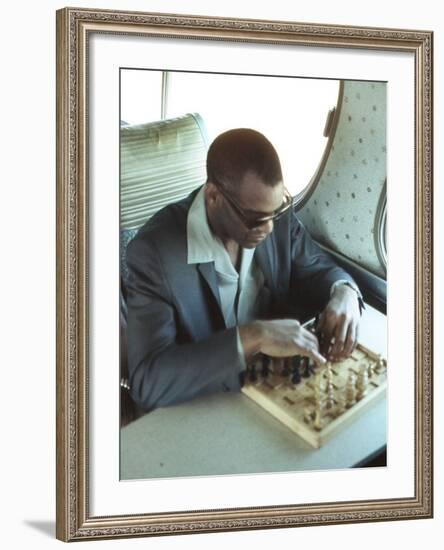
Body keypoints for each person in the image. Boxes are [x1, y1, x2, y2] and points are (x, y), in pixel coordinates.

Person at [126, 128, 363, 411]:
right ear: (212, 196)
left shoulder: (274, 216)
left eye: (275, 213)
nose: (269, 228)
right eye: (255, 219)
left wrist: (345, 292)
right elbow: (148, 382)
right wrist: (253, 336)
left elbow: (318, 268)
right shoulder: (153, 254)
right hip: (205, 403)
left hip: (272, 388)